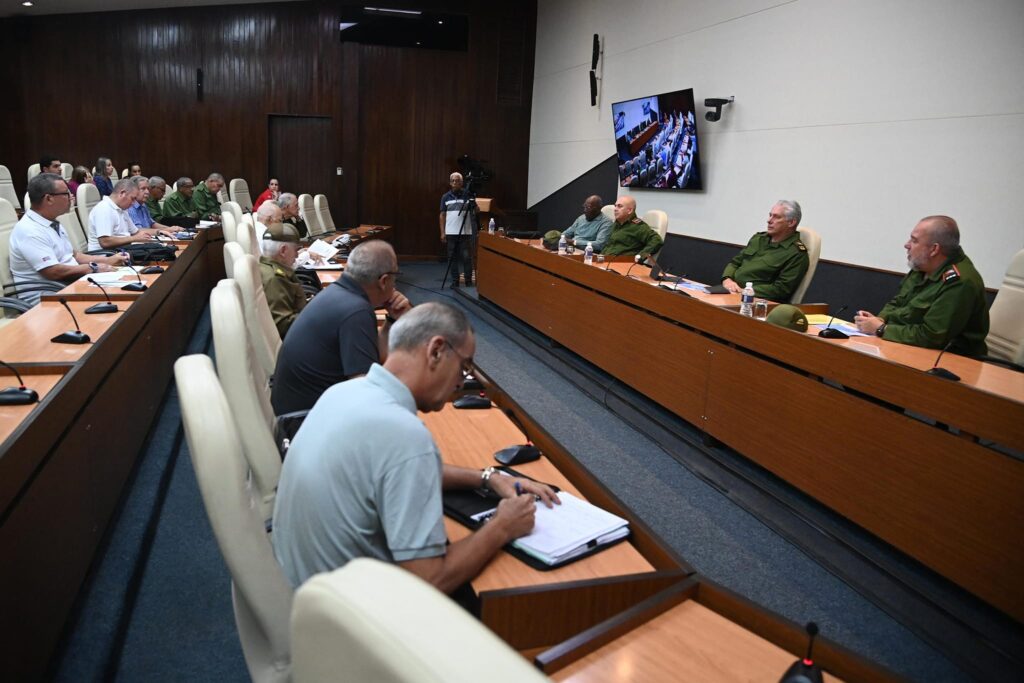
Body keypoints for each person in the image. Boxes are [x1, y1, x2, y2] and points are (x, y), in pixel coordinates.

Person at [272, 301, 558, 592]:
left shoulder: (342, 393)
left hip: (298, 595)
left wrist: (488, 477)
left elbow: (390, 471)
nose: (463, 382)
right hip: (348, 622)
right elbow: (431, 579)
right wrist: (502, 526)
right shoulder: (405, 436)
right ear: (435, 351)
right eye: (465, 367)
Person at [270, 240, 411, 416]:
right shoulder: (355, 311)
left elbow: (376, 359)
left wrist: (392, 319)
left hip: (300, 414)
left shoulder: (341, 295)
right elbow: (363, 391)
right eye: (395, 277)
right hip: (304, 422)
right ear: (384, 281)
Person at [854, 216, 989, 356]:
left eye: (914, 240)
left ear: (934, 249)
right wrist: (879, 320)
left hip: (951, 360)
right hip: (909, 348)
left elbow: (932, 336)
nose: (906, 245)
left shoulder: (959, 282)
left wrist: (882, 329)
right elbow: (898, 302)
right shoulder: (922, 268)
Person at [9, 173, 125, 306]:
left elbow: (73, 255)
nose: (71, 197)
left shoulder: (51, 222)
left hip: (70, 285)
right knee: (119, 303)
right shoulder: (29, 230)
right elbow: (53, 272)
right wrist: (93, 268)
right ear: (49, 198)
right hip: (48, 297)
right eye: (66, 193)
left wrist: (109, 260)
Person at [720, 200, 809, 302]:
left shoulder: (796, 253)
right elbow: (735, 262)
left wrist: (745, 291)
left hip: (756, 302)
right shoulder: (758, 239)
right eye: (770, 215)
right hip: (730, 291)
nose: (769, 220)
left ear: (791, 222)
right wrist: (727, 280)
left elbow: (781, 289)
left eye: (776, 217)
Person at [87, 177, 172, 250]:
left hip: (123, 251)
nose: (133, 203)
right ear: (122, 193)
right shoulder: (104, 208)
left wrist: (159, 232)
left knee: (163, 249)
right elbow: (105, 242)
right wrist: (134, 238)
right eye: (132, 198)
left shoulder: (122, 209)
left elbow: (136, 232)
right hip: (107, 257)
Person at [258, 222, 307, 338]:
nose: (296, 255)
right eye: (296, 250)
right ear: (283, 251)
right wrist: (316, 314)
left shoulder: (265, 267)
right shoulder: (275, 279)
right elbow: (282, 324)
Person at [439, 171, 475, 287]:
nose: (455, 183)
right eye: (453, 181)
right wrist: (442, 232)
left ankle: (468, 280)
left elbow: (476, 210)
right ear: (450, 183)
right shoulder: (445, 197)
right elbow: (442, 215)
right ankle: (455, 280)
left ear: (462, 183)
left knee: (466, 257)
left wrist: (474, 204)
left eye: (458, 181)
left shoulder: (467, 194)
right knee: (452, 258)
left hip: (465, 232)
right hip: (451, 233)